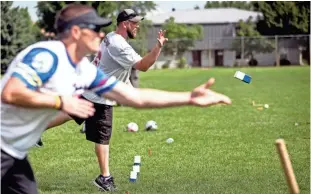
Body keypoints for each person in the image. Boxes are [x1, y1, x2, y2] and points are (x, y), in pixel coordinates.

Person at [1, 4, 231, 194]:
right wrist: (60, 102)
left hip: (14, 154)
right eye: (95, 29)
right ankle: (105, 176)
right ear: (76, 33)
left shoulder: (84, 70)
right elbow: (11, 93)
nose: (102, 34)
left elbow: (135, 97)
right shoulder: (46, 56)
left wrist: (188, 98)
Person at [68, 8, 169, 191]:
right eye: (135, 23)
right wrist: (158, 47)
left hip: (91, 85)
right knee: (103, 136)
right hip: (101, 95)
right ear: (125, 24)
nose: (137, 26)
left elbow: (117, 69)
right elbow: (144, 66)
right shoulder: (120, 45)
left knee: (70, 113)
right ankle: (104, 178)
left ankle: (36, 132)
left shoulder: (110, 36)